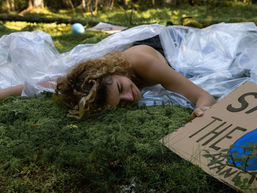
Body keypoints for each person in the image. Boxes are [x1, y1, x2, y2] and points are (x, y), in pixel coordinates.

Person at [0, 40, 216, 119]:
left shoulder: (142, 63)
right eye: (121, 101)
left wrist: (202, 109)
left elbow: (203, 96)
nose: (130, 96)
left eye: (122, 87)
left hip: (162, 45)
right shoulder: (86, 84)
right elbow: (31, 87)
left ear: (112, 71)